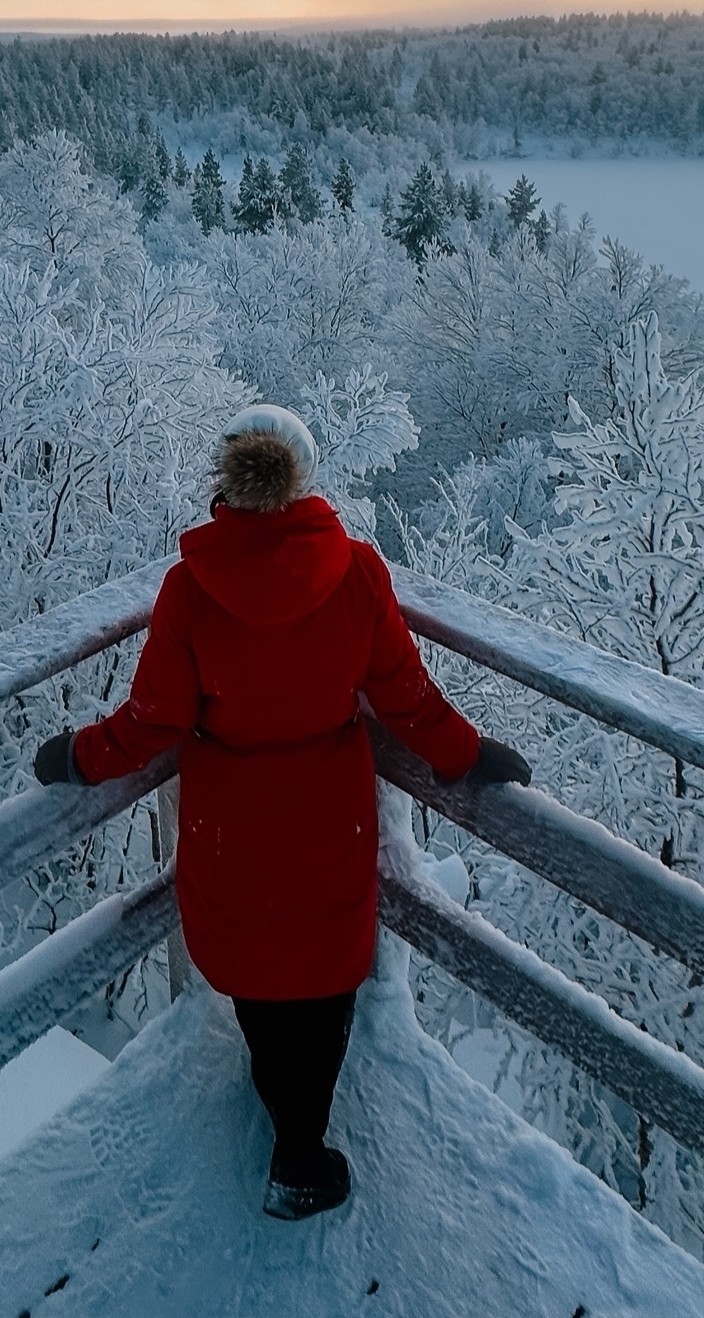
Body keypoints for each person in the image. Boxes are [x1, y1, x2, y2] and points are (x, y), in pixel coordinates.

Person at [33, 403, 531, 1220]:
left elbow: (153, 721)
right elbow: (405, 698)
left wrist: (79, 757)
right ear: (305, 485)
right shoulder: (359, 572)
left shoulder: (190, 588)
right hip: (325, 818)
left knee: (263, 979)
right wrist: (466, 755)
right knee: (322, 973)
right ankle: (302, 1144)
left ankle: (290, 1135)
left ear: (224, 487)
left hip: (231, 824)